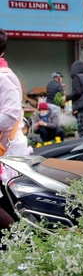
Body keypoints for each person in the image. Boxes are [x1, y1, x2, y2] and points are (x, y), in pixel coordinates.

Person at [0, 28, 31, 233]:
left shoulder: (3, 77)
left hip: (7, 148)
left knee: (9, 198)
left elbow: (10, 114)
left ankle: (20, 239)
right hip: (6, 147)